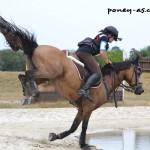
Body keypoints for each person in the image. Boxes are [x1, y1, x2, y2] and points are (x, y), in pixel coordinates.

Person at [76, 26, 122, 101]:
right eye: (113, 38)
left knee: (90, 71)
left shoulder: (99, 35)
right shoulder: (104, 38)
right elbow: (102, 53)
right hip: (85, 53)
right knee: (97, 73)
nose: (113, 40)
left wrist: (108, 62)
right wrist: (108, 63)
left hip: (79, 52)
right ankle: (84, 90)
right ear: (109, 35)